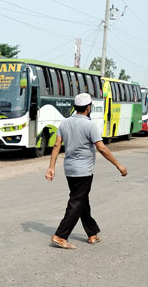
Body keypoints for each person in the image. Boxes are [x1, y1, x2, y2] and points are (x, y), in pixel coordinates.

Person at [45, 93, 128, 250]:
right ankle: (61, 235)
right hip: (84, 170)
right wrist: (119, 165)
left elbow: (56, 146)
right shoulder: (89, 125)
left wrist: (51, 167)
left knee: (82, 200)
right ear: (89, 107)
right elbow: (101, 147)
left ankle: (92, 233)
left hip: (69, 169)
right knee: (76, 202)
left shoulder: (64, 123)